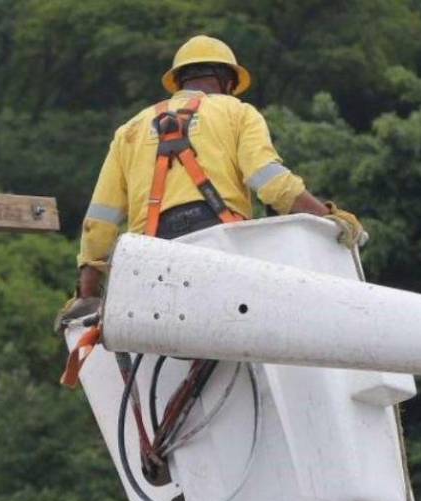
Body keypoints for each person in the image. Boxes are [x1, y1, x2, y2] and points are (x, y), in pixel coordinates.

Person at [68, 34, 366, 310]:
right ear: (227, 82)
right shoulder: (237, 112)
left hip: (150, 258)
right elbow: (271, 182)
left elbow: (100, 221)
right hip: (222, 247)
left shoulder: (130, 130)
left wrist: (87, 295)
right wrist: (327, 216)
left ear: (180, 81)